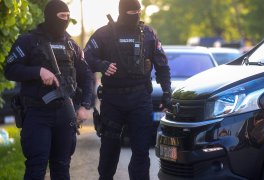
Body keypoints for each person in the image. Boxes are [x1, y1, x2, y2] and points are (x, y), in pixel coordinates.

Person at [4, 0, 93, 179]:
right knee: (36, 167)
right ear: (50, 16)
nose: (65, 20)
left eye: (68, 17)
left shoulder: (71, 45)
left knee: (62, 167)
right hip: (37, 113)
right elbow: (10, 69)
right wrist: (38, 71)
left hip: (65, 113)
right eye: (61, 16)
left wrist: (84, 106)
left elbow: (87, 75)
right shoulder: (28, 41)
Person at [84, 0, 172, 179]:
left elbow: (162, 66)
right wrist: (102, 64)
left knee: (141, 152)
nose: (136, 15)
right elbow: (86, 56)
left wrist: (167, 93)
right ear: (122, 12)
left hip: (140, 99)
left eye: (139, 11)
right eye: (132, 12)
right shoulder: (104, 33)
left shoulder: (148, 34)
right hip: (112, 101)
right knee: (109, 149)